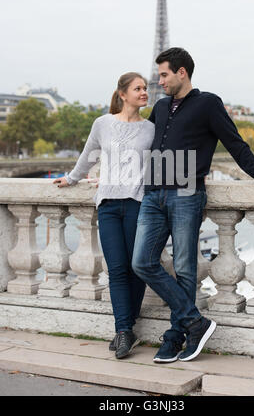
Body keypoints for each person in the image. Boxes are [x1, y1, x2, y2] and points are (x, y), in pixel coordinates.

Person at [132, 47, 254, 363]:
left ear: (182, 72)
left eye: (164, 74)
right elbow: (141, 145)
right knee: (141, 262)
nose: (159, 81)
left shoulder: (208, 104)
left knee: (184, 268)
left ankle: (176, 335)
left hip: (186, 193)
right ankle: (196, 322)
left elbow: (235, 143)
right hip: (153, 194)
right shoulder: (161, 107)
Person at [54, 72, 155, 359]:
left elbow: (161, 163)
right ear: (123, 94)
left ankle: (126, 328)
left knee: (137, 268)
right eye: (138, 88)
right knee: (117, 269)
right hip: (109, 205)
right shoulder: (103, 124)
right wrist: (72, 179)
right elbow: (89, 155)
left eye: (146, 88)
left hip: (137, 203)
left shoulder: (151, 128)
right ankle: (124, 330)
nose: (144, 92)